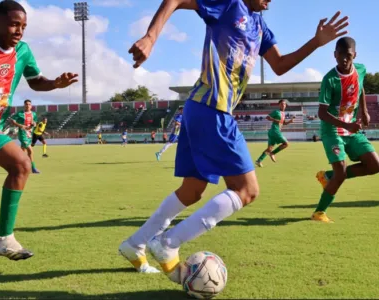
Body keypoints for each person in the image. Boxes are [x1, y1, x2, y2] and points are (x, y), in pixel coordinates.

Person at [119, 0, 349, 279]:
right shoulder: (229, 4)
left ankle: (136, 244)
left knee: (192, 190)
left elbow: (279, 65)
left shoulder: (260, 25)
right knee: (247, 191)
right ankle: (168, 243)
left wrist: (316, 42)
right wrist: (151, 37)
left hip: (199, 109)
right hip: (212, 110)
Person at [0, 0, 78, 260]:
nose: (19, 31)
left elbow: (35, 82)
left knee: (22, 165)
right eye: (13, 24)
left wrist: (55, 83)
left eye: (23, 26)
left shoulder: (22, 51)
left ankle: (4, 238)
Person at [312, 37, 379, 223]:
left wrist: (364, 110)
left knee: (375, 165)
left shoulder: (361, 69)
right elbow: (322, 113)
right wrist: (347, 125)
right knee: (341, 173)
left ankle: (328, 176)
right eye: (340, 55)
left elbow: (361, 86)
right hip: (332, 130)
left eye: (348, 56)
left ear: (354, 55)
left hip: (351, 129)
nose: (344, 59)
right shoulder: (329, 79)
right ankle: (319, 213)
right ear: (335, 55)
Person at [255, 99, 294, 167]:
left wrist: (289, 122)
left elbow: (283, 123)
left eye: (284, 104)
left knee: (269, 148)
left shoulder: (283, 114)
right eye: (282, 104)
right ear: (279, 105)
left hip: (272, 132)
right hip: (275, 131)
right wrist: (274, 120)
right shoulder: (276, 112)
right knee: (286, 144)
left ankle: (259, 161)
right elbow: (267, 117)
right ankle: (272, 153)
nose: (283, 105)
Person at [10, 99, 40, 173]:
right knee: (30, 150)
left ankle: (17, 166)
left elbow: (35, 123)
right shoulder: (20, 113)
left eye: (29, 104)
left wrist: (34, 124)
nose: (28, 105)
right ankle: (33, 168)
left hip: (29, 134)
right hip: (22, 133)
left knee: (23, 151)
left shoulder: (34, 114)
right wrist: (20, 125)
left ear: (31, 106)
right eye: (26, 104)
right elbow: (12, 120)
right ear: (24, 105)